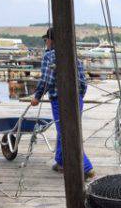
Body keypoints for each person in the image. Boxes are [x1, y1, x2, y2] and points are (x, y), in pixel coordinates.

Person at [31, 28, 95, 179]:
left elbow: (47, 80)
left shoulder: (49, 56)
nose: (45, 42)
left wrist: (37, 96)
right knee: (68, 130)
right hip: (77, 99)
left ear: (52, 40)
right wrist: (79, 97)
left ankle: (86, 168)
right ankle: (60, 161)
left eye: (46, 39)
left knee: (66, 133)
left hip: (60, 100)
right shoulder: (74, 55)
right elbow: (83, 82)